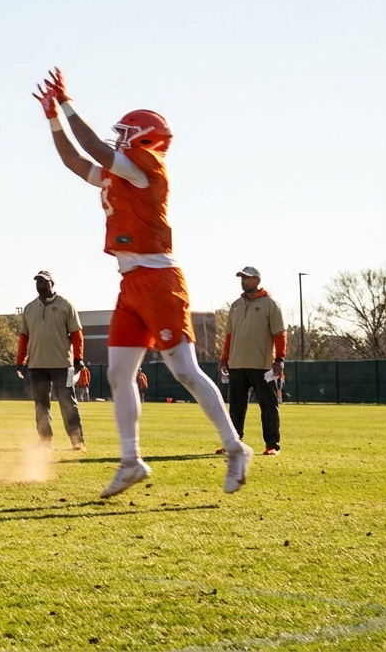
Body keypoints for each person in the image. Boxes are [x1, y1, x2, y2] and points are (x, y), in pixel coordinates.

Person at [34, 67, 251, 498]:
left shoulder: (148, 166)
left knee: (185, 371)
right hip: (131, 282)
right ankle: (131, 461)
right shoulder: (125, 172)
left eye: (128, 133)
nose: (119, 140)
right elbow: (76, 161)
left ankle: (235, 448)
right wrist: (53, 118)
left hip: (159, 279)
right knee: (118, 373)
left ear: (147, 139)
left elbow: (92, 147)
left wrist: (68, 103)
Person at [218, 266, 286, 456]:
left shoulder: (270, 304)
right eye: (242, 277)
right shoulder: (235, 305)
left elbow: (280, 334)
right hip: (237, 365)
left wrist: (280, 359)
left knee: (269, 407)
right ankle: (233, 443)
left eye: (247, 278)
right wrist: (224, 359)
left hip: (263, 366)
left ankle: (272, 445)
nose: (243, 281)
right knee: (236, 408)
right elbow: (229, 336)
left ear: (257, 280)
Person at [16, 270, 87, 450]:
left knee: (68, 403)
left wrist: (79, 358)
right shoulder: (29, 308)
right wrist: (20, 360)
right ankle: (45, 441)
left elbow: (76, 334)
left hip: (62, 364)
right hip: (36, 365)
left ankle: (77, 441)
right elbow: (24, 337)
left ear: (51, 284)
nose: (40, 284)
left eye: (44, 281)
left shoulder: (65, 305)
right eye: (38, 282)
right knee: (41, 405)